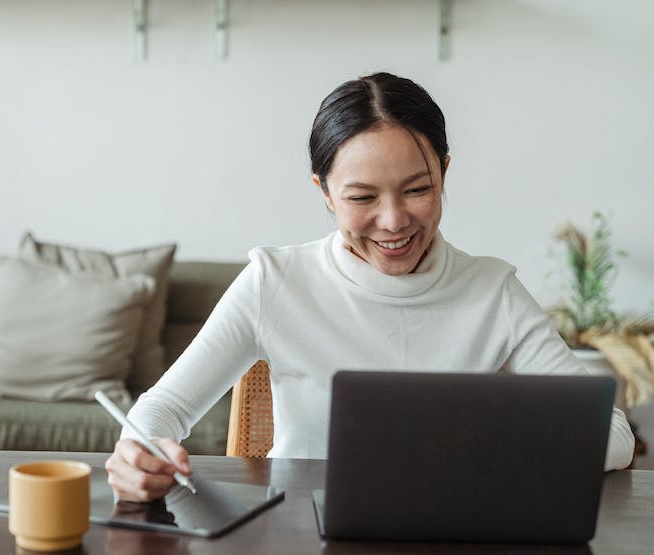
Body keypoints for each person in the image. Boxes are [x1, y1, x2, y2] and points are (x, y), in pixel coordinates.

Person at [105, 72, 635, 501]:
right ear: (325, 193)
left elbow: (613, 434)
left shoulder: (492, 292)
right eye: (361, 198)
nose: (393, 221)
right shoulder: (275, 282)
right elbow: (163, 409)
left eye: (418, 189)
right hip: (298, 529)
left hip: (451, 529)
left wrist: (497, 444)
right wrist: (139, 452)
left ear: (444, 174)